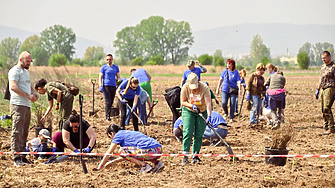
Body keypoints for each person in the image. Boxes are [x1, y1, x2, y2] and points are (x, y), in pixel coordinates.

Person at [8, 51, 39, 166]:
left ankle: (22, 156)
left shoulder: (25, 72)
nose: (29, 63)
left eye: (30, 61)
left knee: (25, 132)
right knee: (17, 131)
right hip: (18, 104)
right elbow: (13, 86)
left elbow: (27, 85)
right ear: (20, 60)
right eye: (27, 61)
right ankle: (16, 157)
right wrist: (27, 96)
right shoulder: (14, 71)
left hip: (26, 105)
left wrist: (33, 92)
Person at [97, 124, 164, 173]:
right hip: (158, 150)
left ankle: (145, 165)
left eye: (110, 137)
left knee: (122, 151)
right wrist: (112, 162)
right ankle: (157, 163)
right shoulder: (128, 133)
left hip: (148, 151)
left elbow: (109, 152)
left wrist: (101, 165)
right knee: (131, 151)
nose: (111, 139)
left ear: (112, 133)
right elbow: (128, 156)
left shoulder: (118, 135)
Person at [180, 73, 212, 165]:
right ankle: (185, 155)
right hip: (188, 111)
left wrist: (209, 116)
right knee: (188, 131)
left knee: (199, 133)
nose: (194, 89)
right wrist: (191, 106)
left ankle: (195, 156)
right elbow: (182, 102)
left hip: (202, 111)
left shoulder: (204, 88)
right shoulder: (185, 88)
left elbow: (209, 103)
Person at [315, 51, 335, 135]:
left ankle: (331, 128)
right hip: (323, 88)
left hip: (330, 88)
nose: (323, 59)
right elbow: (321, 78)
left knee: (327, 107)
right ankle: (326, 126)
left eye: (324, 58)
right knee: (323, 108)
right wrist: (318, 89)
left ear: (329, 57)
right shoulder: (323, 67)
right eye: (322, 58)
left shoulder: (333, 67)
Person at [99, 54, 121, 121]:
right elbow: (100, 77)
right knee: (108, 102)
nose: (109, 61)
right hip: (106, 86)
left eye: (110, 59)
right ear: (106, 60)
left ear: (112, 60)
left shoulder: (115, 67)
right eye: (107, 59)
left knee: (111, 101)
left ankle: (109, 113)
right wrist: (100, 85)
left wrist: (120, 81)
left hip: (113, 86)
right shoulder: (104, 67)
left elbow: (118, 76)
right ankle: (107, 116)